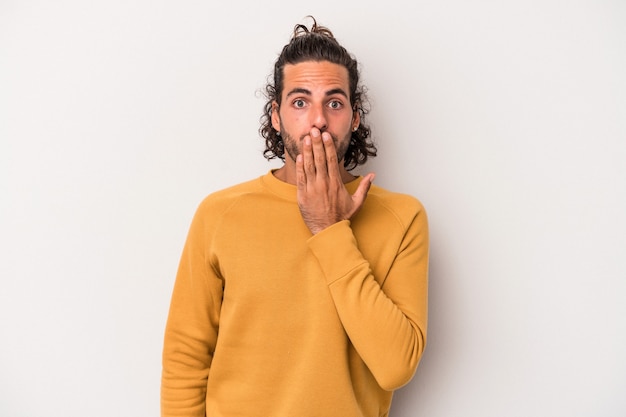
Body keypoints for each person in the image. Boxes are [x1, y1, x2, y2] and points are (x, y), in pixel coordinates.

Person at [161, 17, 429, 417]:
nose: (317, 120)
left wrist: (330, 229)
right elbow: (186, 359)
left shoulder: (402, 218)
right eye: (300, 101)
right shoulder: (219, 214)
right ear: (276, 114)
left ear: (354, 118)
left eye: (334, 103)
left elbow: (395, 367)